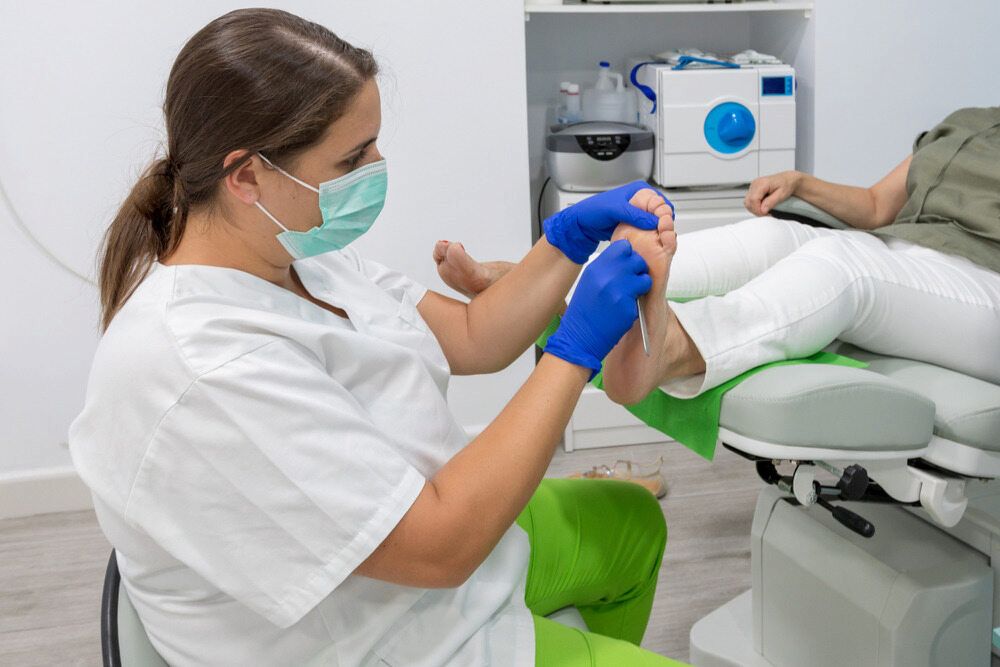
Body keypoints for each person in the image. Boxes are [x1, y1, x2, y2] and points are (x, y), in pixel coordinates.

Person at [68, 8, 687, 667]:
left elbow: (475, 335)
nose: (377, 167)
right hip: (386, 631)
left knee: (632, 524)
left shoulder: (292, 253)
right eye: (353, 157)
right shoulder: (204, 365)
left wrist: (564, 241)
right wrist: (572, 352)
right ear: (246, 175)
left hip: (424, 550)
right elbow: (442, 547)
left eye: (374, 144)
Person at [438, 106, 1000, 406]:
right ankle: (541, 291)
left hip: (983, 284)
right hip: (906, 252)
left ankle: (674, 349)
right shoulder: (967, 123)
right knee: (774, 238)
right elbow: (878, 205)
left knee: (843, 271)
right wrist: (801, 181)